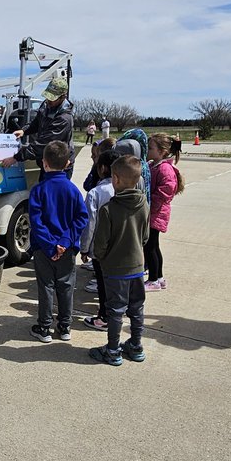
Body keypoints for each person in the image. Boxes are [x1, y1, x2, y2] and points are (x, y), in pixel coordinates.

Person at [27, 140, 89, 343]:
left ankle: (44, 328)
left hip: (43, 249)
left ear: (44, 163)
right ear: (68, 164)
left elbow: (36, 223)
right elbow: (81, 218)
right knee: (66, 286)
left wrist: (50, 245)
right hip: (68, 248)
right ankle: (64, 326)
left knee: (46, 286)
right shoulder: (72, 190)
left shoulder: (38, 190)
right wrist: (64, 241)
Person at [90, 155, 149, 365]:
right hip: (137, 266)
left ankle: (113, 349)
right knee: (137, 307)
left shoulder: (109, 209)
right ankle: (135, 344)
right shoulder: (144, 203)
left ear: (115, 179)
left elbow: (101, 244)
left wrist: (102, 259)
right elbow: (145, 236)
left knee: (115, 310)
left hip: (115, 269)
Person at [0, 75, 75, 178]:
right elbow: (37, 122)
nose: (48, 100)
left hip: (60, 165)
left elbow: (43, 144)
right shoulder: (46, 105)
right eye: (47, 97)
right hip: (47, 162)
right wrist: (24, 131)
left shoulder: (64, 118)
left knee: (54, 192)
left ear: (62, 97)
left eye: (52, 98)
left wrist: (16, 158)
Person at [81, 149, 119, 331]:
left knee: (103, 284)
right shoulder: (125, 189)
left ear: (102, 168)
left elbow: (90, 224)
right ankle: (117, 312)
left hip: (100, 248)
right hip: (120, 246)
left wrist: (85, 248)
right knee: (116, 283)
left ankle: (103, 317)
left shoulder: (95, 193)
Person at [144, 132, 185, 292]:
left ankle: (153, 279)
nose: (148, 150)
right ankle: (159, 277)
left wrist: (149, 204)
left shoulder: (165, 169)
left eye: (151, 148)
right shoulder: (153, 165)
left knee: (150, 247)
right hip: (153, 213)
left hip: (156, 214)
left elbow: (165, 192)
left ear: (162, 151)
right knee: (154, 246)